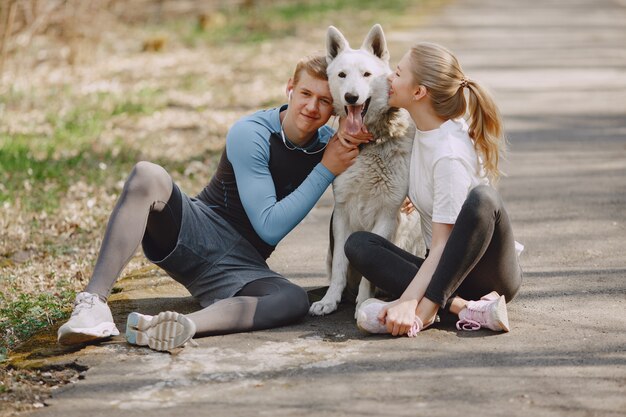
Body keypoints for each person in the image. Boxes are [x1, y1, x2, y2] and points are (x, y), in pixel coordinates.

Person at [57, 54, 371, 351]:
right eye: (305, 93)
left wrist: (405, 199)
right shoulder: (251, 133)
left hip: (242, 267)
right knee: (147, 175)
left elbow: (372, 183)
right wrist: (326, 169)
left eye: (325, 100)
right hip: (195, 233)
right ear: (290, 87)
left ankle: (173, 327)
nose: (312, 107)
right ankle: (93, 304)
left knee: (292, 299)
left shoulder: (328, 148)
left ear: (336, 108)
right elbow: (269, 226)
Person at [345, 42, 523, 337]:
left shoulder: (448, 152)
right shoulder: (425, 129)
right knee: (360, 244)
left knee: (483, 199)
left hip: (485, 274)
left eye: (398, 74)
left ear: (418, 93)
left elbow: (443, 245)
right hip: (443, 269)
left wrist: (410, 301)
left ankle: (429, 310)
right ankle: (464, 308)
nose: (389, 78)